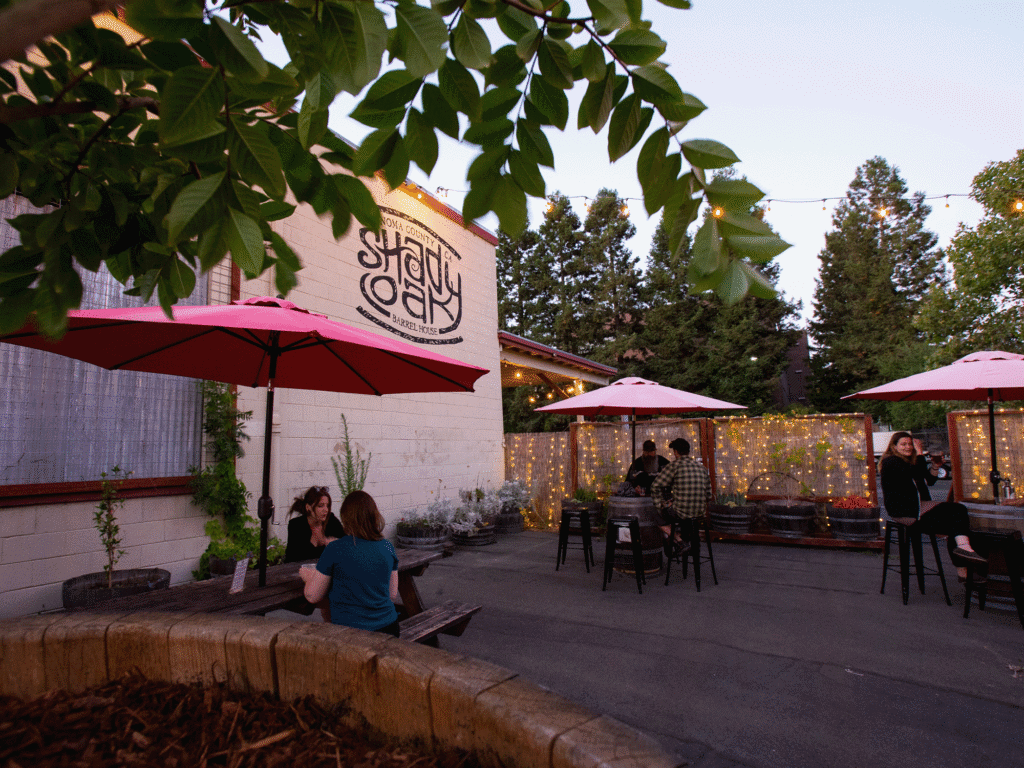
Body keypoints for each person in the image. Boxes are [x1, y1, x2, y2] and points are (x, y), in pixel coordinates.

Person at [878, 431, 986, 580]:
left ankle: (964, 568)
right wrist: (921, 453)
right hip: (904, 511)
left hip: (918, 507)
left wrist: (935, 467)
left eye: (910, 444)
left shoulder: (909, 462)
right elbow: (917, 471)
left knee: (956, 527)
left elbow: (929, 480)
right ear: (894, 447)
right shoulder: (891, 461)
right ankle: (963, 554)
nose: (908, 447)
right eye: (904, 444)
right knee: (958, 511)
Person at [299, 490, 401, 636]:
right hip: (389, 628)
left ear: (345, 517)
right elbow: (392, 594)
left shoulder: (335, 549)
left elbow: (312, 596)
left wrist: (309, 578)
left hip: (351, 634)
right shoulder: (387, 546)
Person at [649, 437, 712, 541]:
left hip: (681, 513)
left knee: (655, 515)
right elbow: (709, 495)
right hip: (700, 513)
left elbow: (655, 486)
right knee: (680, 512)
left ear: (676, 452)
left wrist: (661, 504)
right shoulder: (701, 467)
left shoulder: (674, 466)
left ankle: (679, 540)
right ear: (688, 451)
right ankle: (688, 540)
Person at [284, 486, 345, 564]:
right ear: (308, 507)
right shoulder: (296, 525)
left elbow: (347, 545)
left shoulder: (331, 520)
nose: (325, 510)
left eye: (327, 505)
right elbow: (292, 557)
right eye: (320, 506)